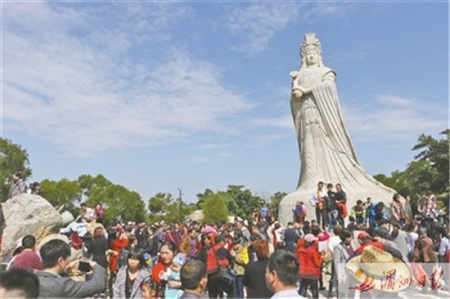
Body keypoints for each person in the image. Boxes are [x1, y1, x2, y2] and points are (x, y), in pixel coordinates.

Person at [36, 239, 106, 298]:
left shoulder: (31, 279)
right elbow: (97, 285)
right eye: (67, 258)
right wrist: (96, 266)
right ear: (61, 261)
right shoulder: (63, 285)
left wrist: (65, 271)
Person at [297, 234, 323, 298]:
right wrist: (322, 257)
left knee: (303, 287)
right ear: (312, 242)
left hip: (302, 272)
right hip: (312, 272)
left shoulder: (299, 250)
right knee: (314, 289)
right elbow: (317, 263)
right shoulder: (313, 251)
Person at [333, 229, 355, 299]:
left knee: (351, 292)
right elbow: (336, 262)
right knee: (342, 294)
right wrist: (339, 277)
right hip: (343, 274)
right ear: (345, 238)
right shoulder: (338, 247)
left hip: (352, 273)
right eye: (350, 237)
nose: (352, 238)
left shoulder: (353, 245)